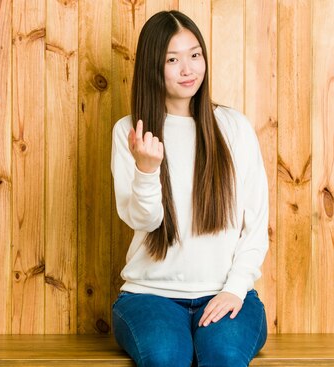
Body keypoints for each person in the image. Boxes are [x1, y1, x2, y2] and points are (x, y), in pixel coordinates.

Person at [111, 10, 269, 367]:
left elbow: (256, 226)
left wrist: (235, 288)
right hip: (149, 296)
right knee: (167, 357)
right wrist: (147, 170)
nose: (188, 69)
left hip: (225, 292)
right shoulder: (129, 132)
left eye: (195, 55)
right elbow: (143, 219)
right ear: (154, 66)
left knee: (224, 356)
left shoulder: (234, 127)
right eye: (172, 59)